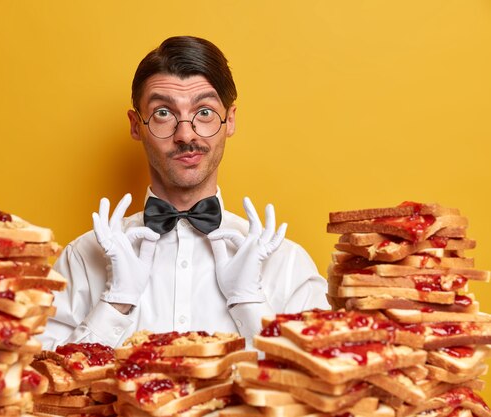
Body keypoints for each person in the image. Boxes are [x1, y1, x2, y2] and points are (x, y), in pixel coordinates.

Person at [39, 36, 328, 350]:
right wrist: (114, 304)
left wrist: (251, 306)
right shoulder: (83, 258)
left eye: (204, 112)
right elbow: (42, 383)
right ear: (136, 125)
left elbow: (320, 384)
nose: (186, 134)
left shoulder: (286, 264)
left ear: (229, 121)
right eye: (163, 113)